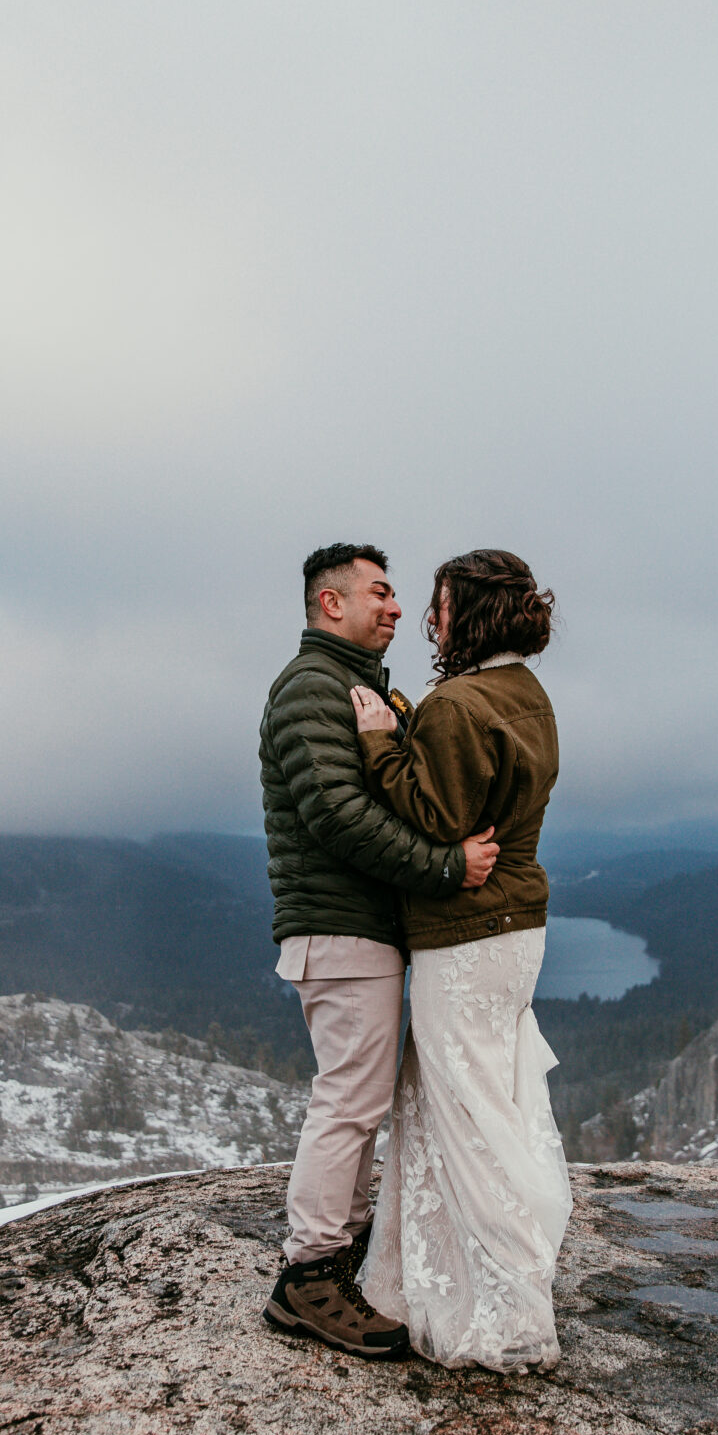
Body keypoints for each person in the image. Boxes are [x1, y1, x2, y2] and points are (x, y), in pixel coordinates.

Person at [258, 543, 500, 1359]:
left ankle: (342, 1248)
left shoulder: (350, 684)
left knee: (358, 1094)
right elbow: (335, 815)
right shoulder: (308, 689)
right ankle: (309, 1276)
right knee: (350, 1098)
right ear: (331, 603)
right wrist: (443, 866)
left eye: (398, 596)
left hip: (360, 928)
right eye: (381, 592)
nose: (395, 608)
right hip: (338, 927)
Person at [346, 549, 570, 1371]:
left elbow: (433, 813)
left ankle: (510, 1302)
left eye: (441, 606)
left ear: (469, 612)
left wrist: (379, 741)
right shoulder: (528, 696)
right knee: (477, 1096)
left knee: (465, 1113)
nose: (430, 619)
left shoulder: (458, 703)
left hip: (466, 934)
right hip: (518, 930)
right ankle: (431, 1280)